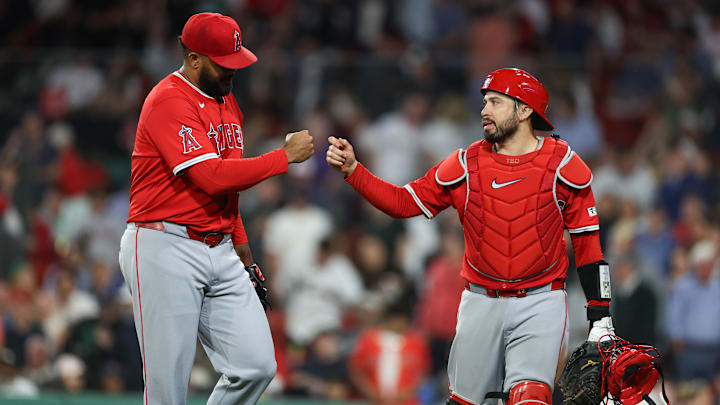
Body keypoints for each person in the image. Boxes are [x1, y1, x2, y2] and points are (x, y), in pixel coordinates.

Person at [327, 68, 613, 405]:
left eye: (495, 102)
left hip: (541, 301)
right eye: (484, 102)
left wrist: (601, 316)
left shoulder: (564, 166)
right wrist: (354, 171)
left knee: (531, 398)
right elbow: (403, 202)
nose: (484, 110)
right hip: (480, 300)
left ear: (524, 111)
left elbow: (588, 246)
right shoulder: (464, 164)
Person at [118, 12, 314, 405]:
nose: (232, 71)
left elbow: (229, 183)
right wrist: (282, 157)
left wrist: (239, 238)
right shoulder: (168, 100)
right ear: (193, 59)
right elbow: (211, 177)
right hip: (163, 244)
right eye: (223, 63)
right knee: (168, 387)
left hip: (219, 245)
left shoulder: (227, 100)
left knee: (256, 366)